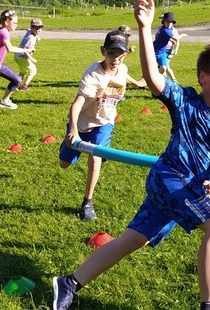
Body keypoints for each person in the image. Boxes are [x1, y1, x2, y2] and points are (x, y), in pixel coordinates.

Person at [52, 0, 210, 310]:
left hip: (192, 186)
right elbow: (152, 76)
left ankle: (69, 283)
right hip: (170, 178)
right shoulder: (185, 101)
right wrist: (145, 28)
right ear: (203, 76)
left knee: (133, 240)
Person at [58, 30, 145, 221]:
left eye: (120, 54)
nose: (115, 58)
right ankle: (70, 144)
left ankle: (87, 202)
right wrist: (73, 130)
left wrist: (139, 83)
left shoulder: (122, 68)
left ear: (125, 54)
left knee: (95, 157)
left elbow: (122, 75)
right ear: (103, 51)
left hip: (104, 123)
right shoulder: (93, 75)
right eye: (111, 53)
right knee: (64, 164)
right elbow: (77, 104)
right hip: (82, 124)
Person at [14, 18, 43, 90]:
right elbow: (24, 50)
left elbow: (28, 30)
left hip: (17, 56)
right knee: (33, 71)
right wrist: (31, 58)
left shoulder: (30, 32)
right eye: (37, 28)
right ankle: (25, 86)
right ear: (32, 28)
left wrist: (37, 36)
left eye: (40, 28)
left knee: (23, 70)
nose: (39, 30)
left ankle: (16, 85)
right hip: (22, 56)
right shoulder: (30, 38)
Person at [153, 11, 180, 83]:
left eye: (171, 22)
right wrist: (176, 48)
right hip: (154, 51)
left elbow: (167, 37)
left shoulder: (169, 29)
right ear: (163, 22)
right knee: (152, 68)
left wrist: (171, 40)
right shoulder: (165, 30)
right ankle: (154, 80)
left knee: (164, 68)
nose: (169, 24)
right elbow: (177, 39)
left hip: (162, 52)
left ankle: (158, 80)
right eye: (167, 22)